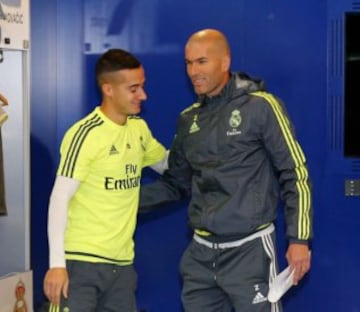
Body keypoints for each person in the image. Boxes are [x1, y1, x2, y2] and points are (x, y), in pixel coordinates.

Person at [139, 29, 312, 312]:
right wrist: (119, 203)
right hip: (200, 257)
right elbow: (176, 184)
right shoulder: (188, 119)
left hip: (250, 252)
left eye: (202, 62)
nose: (193, 71)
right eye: (188, 63)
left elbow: (295, 174)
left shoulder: (262, 106)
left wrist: (299, 239)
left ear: (225, 62)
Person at [43, 48, 167, 312]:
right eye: (134, 89)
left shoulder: (139, 129)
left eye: (142, 86)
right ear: (108, 89)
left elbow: (169, 166)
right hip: (79, 264)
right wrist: (57, 265)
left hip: (122, 267)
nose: (142, 95)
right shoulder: (85, 134)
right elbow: (59, 197)